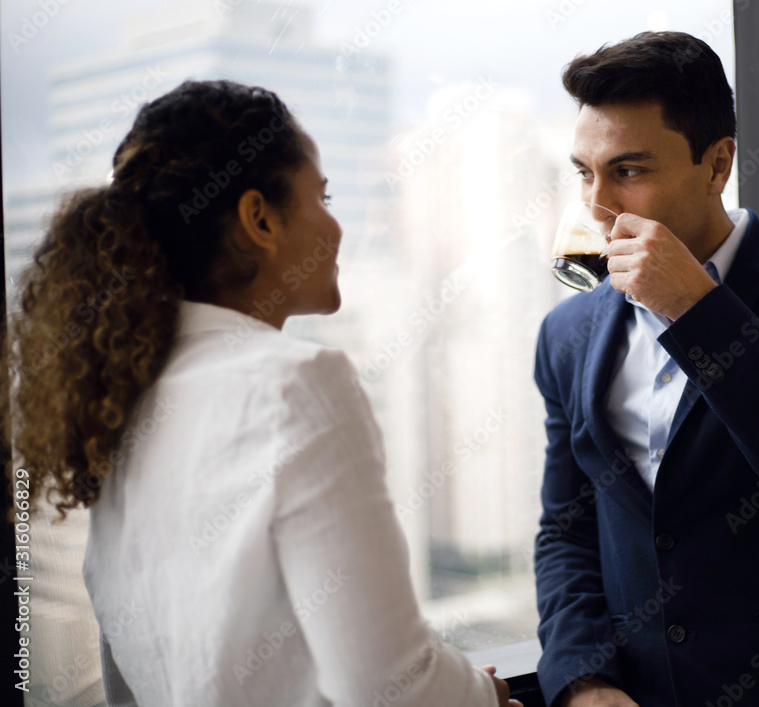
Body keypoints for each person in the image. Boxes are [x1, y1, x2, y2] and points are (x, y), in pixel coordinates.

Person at [2, 79, 520, 707]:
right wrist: (481, 696)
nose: (337, 225)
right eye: (322, 197)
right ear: (259, 219)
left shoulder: (116, 401)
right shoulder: (295, 384)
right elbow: (388, 686)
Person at [532, 32, 759, 707]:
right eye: (586, 172)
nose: (597, 204)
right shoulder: (567, 333)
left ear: (717, 165)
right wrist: (584, 680)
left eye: (629, 171)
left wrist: (696, 309)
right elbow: (567, 527)